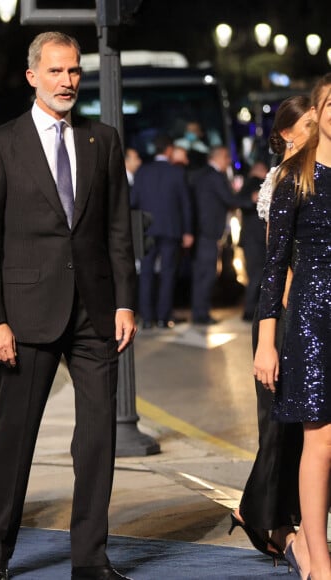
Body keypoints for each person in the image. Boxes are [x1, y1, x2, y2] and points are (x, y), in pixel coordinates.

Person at [0, 32, 137, 580]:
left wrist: (125, 302)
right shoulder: (0, 145)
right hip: (24, 316)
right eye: (58, 71)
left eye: (75, 71)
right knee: (15, 439)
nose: (68, 81)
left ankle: (89, 557)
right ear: (32, 77)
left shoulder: (103, 140)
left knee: (96, 439)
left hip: (94, 310)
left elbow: (118, 230)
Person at [254, 74, 331, 580]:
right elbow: (273, 264)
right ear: (319, 111)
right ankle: (317, 558)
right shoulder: (294, 177)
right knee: (319, 438)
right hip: (312, 318)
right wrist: (266, 342)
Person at [230, 95, 312, 564]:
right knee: (280, 426)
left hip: (309, 311)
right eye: (307, 124)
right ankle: (261, 514)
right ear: (284, 134)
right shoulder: (282, 180)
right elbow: (277, 267)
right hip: (284, 318)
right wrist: (284, 326)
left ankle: (270, 515)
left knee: (296, 426)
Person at [130, 134, 193, 328]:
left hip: (147, 229)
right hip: (171, 229)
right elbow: (185, 204)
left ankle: (147, 318)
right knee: (168, 273)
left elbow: (132, 201)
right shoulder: (176, 173)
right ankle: (164, 317)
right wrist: (188, 231)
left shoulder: (142, 172)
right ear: (168, 150)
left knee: (146, 273)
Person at [190, 146, 254, 324]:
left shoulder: (202, 174)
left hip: (203, 231)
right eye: (227, 158)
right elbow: (230, 200)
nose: (229, 162)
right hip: (209, 231)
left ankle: (199, 312)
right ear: (219, 157)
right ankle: (201, 314)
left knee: (202, 274)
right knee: (207, 274)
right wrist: (252, 201)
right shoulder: (215, 176)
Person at [238, 161, 269, 322]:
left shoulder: (250, 184)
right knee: (256, 275)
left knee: (256, 275)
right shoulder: (254, 183)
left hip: (253, 239)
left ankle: (252, 309)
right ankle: (250, 310)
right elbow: (242, 201)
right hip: (255, 239)